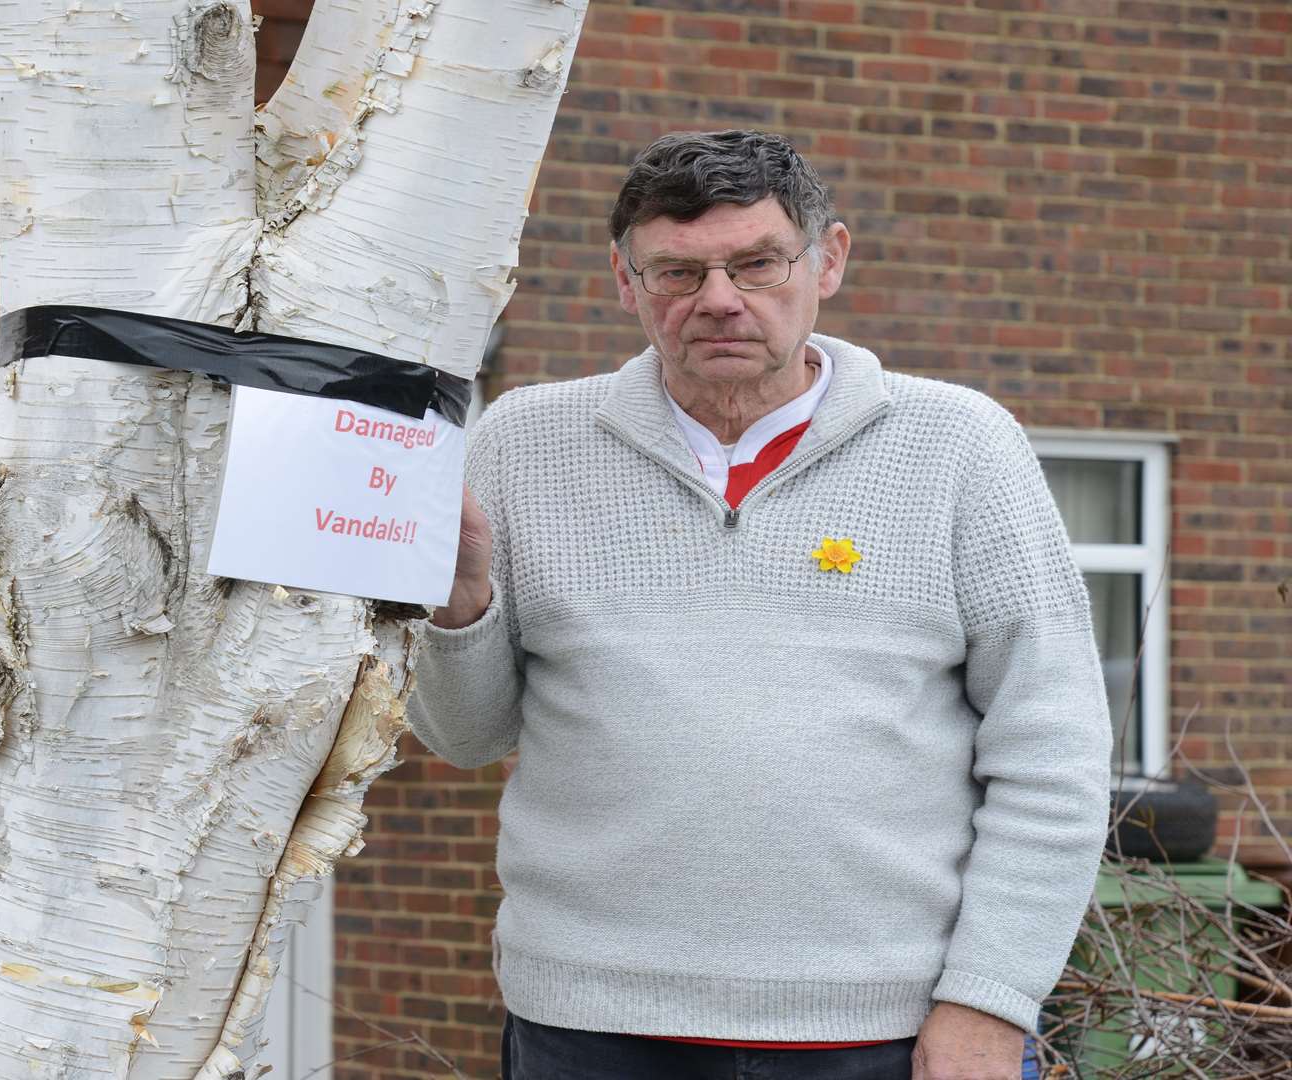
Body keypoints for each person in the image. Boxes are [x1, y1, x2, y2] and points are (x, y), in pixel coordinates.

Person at [409, 130, 1112, 1080]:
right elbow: (466, 737)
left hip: (887, 1032)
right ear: (625, 281)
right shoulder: (523, 442)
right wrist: (459, 611)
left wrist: (992, 999)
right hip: (590, 1025)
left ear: (829, 260)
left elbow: (1053, 753)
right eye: (677, 272)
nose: (720, 301)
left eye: (757, 263)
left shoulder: (960, 446)